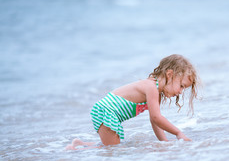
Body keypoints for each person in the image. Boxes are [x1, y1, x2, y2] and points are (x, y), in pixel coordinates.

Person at [66, 54, 200, 150]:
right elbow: (156, 117)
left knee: (111, 147)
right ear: (170, 74)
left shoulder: (155, 92)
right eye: (181, 86)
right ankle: (76, 149)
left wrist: (164, 142)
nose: (181, 91)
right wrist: (178, 133)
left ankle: (80, 145)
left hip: (105, 111)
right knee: (114, 150)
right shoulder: (151, 87)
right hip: (107, 112)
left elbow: (154, 121)